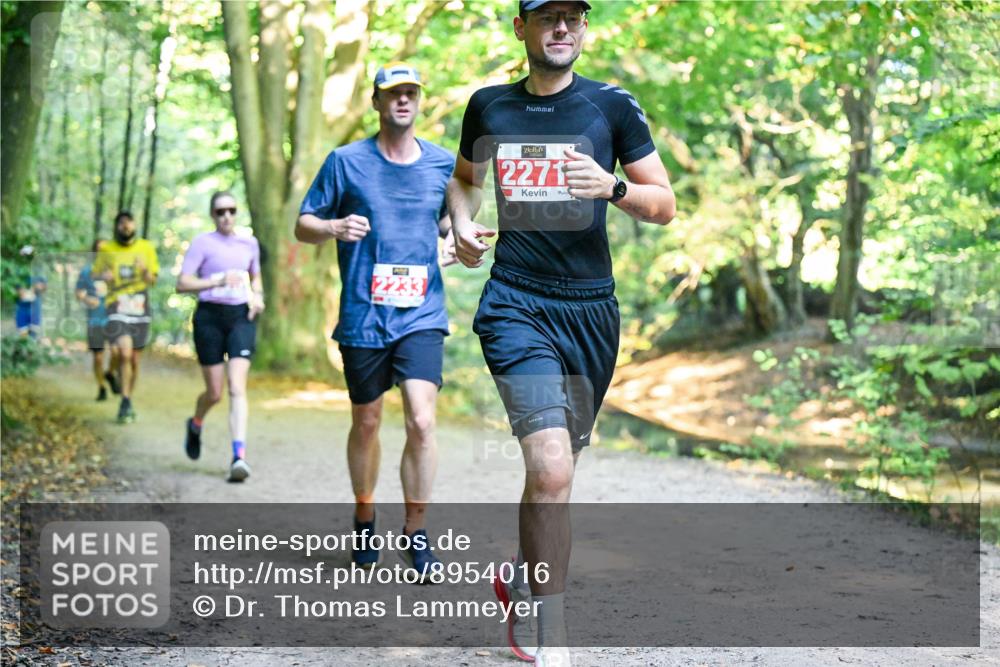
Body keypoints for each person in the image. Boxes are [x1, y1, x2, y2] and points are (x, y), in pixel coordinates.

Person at [446, 2, 676, 664]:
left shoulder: (611, 107)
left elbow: (663, 202)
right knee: (548, 467)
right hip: (516, 303)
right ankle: (554, 640)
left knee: (556, 473)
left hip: (591, 311)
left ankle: (522, 571)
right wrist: (461, 226)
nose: (563, 27)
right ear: (521, 28)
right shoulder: (488, 106)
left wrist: (612, 187)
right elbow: (464, 184)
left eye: (574, 16)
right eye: (548, 16)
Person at [295, 62, 456, 576]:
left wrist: (456, 240)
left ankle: (417, 529)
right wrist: (334, 226)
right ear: (376, 102)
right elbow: (303, 225)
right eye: (393, 93)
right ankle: (365, 515)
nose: (403, 101)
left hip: (422, 311)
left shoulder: (442, 164)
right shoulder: (345, 162)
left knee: (422, 420)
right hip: (364, 315)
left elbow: (455, 220)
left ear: (419, 101)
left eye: (411, 93)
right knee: (366, 421)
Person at [177, 192, 264, 482]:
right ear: (212, 215)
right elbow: (182, 283)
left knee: (236, 387)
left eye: (231, 210)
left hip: (240, 317)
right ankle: (196, 422)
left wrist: (259, 298)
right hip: (209, 319)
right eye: (220, 211)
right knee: (214, 392)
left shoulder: (249, 243)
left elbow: (256, 279)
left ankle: (239, 457)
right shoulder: (203, 243)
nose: (226, 216)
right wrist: (216, 280)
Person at [93, 211, 159, 424]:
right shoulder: (106, 249)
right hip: (116, 303)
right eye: (121, 223)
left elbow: (153, 280)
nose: (125, 227)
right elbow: (94, 274)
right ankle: (124, 400)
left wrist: (144, 270)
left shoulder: (146, 248)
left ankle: (127, 398)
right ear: (116, 227)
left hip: (140, 305)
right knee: (123, 351)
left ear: (134, 225)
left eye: (129, 223)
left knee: (134, 359)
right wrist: (104, 276)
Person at [75, 240, 116, 401]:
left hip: (114, 320)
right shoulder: (86, 272)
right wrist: (86, 298)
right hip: (95, 321)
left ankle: (110, 374)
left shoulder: (114, 271)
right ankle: (101, 387)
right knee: (98, 357)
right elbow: (78, 292)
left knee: (118, 353)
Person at [14, 245, 47, 338]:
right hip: (22, 308)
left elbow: (44, 286)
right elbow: (16, 289)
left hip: (35, 308)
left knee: (33, 336)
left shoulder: (39, 270)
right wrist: (22, 291)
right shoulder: (17, 271)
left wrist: (37, 287)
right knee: (23, 337)